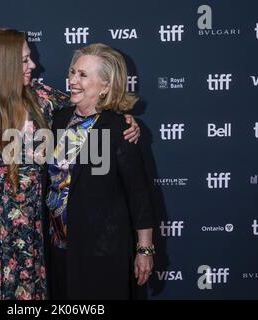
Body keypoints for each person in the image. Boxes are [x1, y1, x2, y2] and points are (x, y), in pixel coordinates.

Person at [0, 29, 140, 300]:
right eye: (25, 61)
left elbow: (92, 105)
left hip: (38, 223)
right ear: (5, 65)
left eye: (30, 59)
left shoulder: (44, 98)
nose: (33, 66)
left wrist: (127, 120)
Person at [46, 43, 155, 300]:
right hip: (59, 249)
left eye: (83, 75)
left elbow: (139, 195)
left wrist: (145, 249)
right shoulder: (58, 120)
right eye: (73, 72)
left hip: (102, 252)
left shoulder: (119, 129)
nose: (72, 80)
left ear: (105, 86)